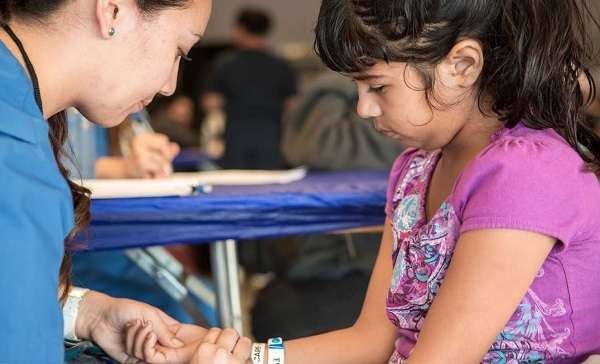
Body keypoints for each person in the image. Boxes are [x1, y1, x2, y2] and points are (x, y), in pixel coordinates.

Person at [127, 0, 600, 363]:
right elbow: (375, 338)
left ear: (462, 66)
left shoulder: (524, 171)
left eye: (377, 87)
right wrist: (246, 355)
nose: (363, 109)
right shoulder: (415, 170)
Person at [0, 1, 249, 363]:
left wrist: (86, 313)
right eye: (179, 51)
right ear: (113, 10)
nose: (170, 85)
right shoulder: (16, 161)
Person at [202, 7, 297, 170]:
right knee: (270, 189)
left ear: (241, 29)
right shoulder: (281, 65)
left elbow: (211, 102)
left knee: (236, 189)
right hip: (271, 142)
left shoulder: (224, 64)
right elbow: (292, 105)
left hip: (236, 142)